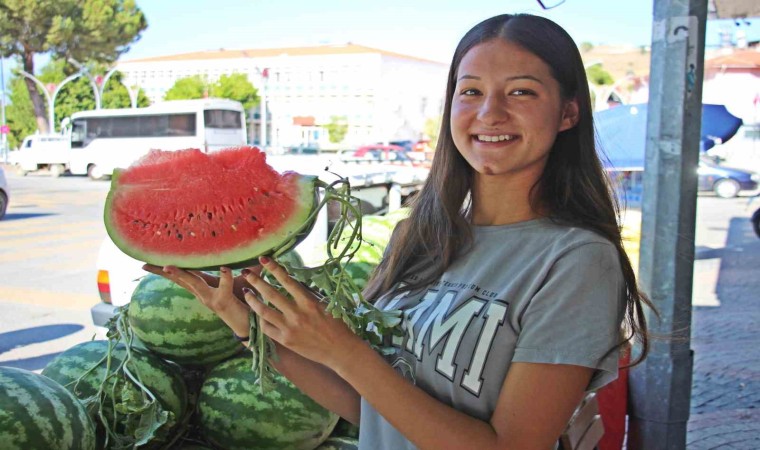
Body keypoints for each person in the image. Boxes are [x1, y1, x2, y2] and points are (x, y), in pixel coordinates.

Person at [145, 13, 653, 449]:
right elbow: (370, 408)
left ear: (567, 112)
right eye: (470, 91)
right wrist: (249, 324)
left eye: (521, 91)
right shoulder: (420, 236)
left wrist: (346, 350)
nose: (488, 112)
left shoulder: (576, 261)